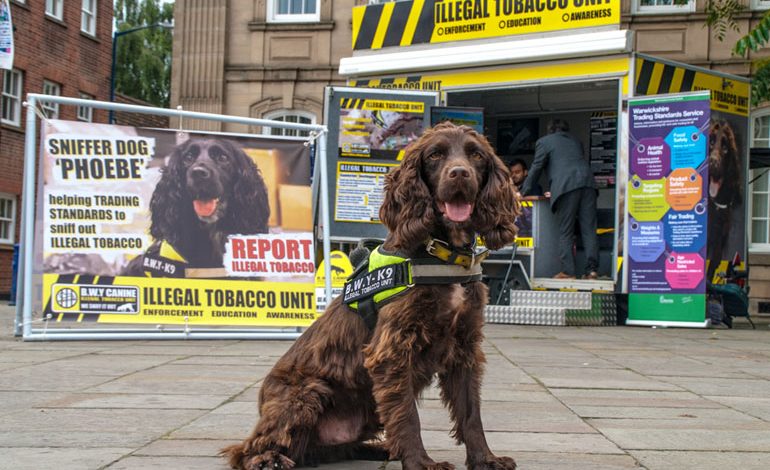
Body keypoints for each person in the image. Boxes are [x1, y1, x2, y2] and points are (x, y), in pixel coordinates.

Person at [520, 119, 599, 280]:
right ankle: (592, 271)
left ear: (550, 130)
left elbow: (536, 168)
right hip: (588, 184)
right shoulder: (576, 141)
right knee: (589, 228)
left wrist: (523, 192)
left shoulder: (544, 142)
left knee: (566, 230)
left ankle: (568, 272)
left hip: (566, 187)